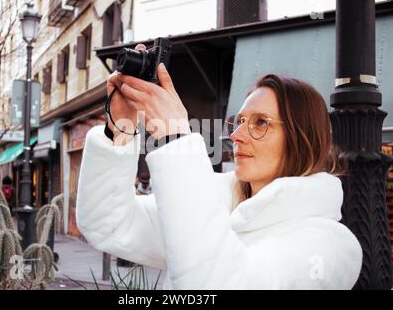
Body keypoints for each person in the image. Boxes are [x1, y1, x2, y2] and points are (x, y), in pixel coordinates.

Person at [76, 45, 362, 289]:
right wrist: (120, 128)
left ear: (302, 137)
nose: (236, 135)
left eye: (260, 122)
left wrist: (176, 139)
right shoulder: (215, 200)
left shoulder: (331, 247)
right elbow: (109, 224)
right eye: (239, 121)